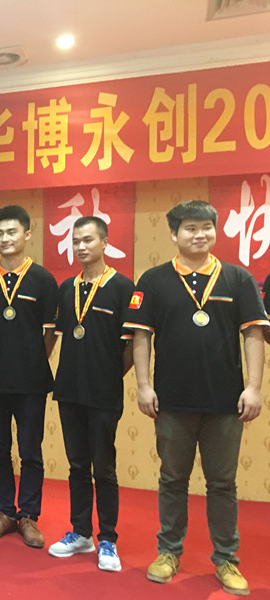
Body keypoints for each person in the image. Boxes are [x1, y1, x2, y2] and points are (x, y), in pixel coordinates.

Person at [125, 200, 267, 596]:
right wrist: (144, 385)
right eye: (190, 228)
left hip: (226, 404)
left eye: (206, 227)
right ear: (174, 234)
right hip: (171, 402)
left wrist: (254, 388)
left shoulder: (238, 279)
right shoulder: (153, 280)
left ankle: (226, 559)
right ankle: (168, 551)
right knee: (172, 480)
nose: (199, 234)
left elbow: (253, 334)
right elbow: (141, 336)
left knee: (222, 484)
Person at [47, 217, 134, 572]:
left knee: (104, 468)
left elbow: (132, 346)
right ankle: (81, 532)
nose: (81, 247)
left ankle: (108, 539)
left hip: (103, 393)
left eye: (88, 240)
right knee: (77, 465)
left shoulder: (123, 287)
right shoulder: (67, 288)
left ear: (105, 242)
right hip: (69, 390)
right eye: (76, 241)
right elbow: (60, 336)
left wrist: (108, 375)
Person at [0, 205, 58, 548]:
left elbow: (50, 333)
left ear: (27, 234)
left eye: (12, 232)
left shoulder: (43, 279)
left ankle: (29, 516)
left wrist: (31, 360)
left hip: (31, 381)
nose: (5, 238)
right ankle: (5, 512)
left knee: (30, 450)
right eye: (0, 233)